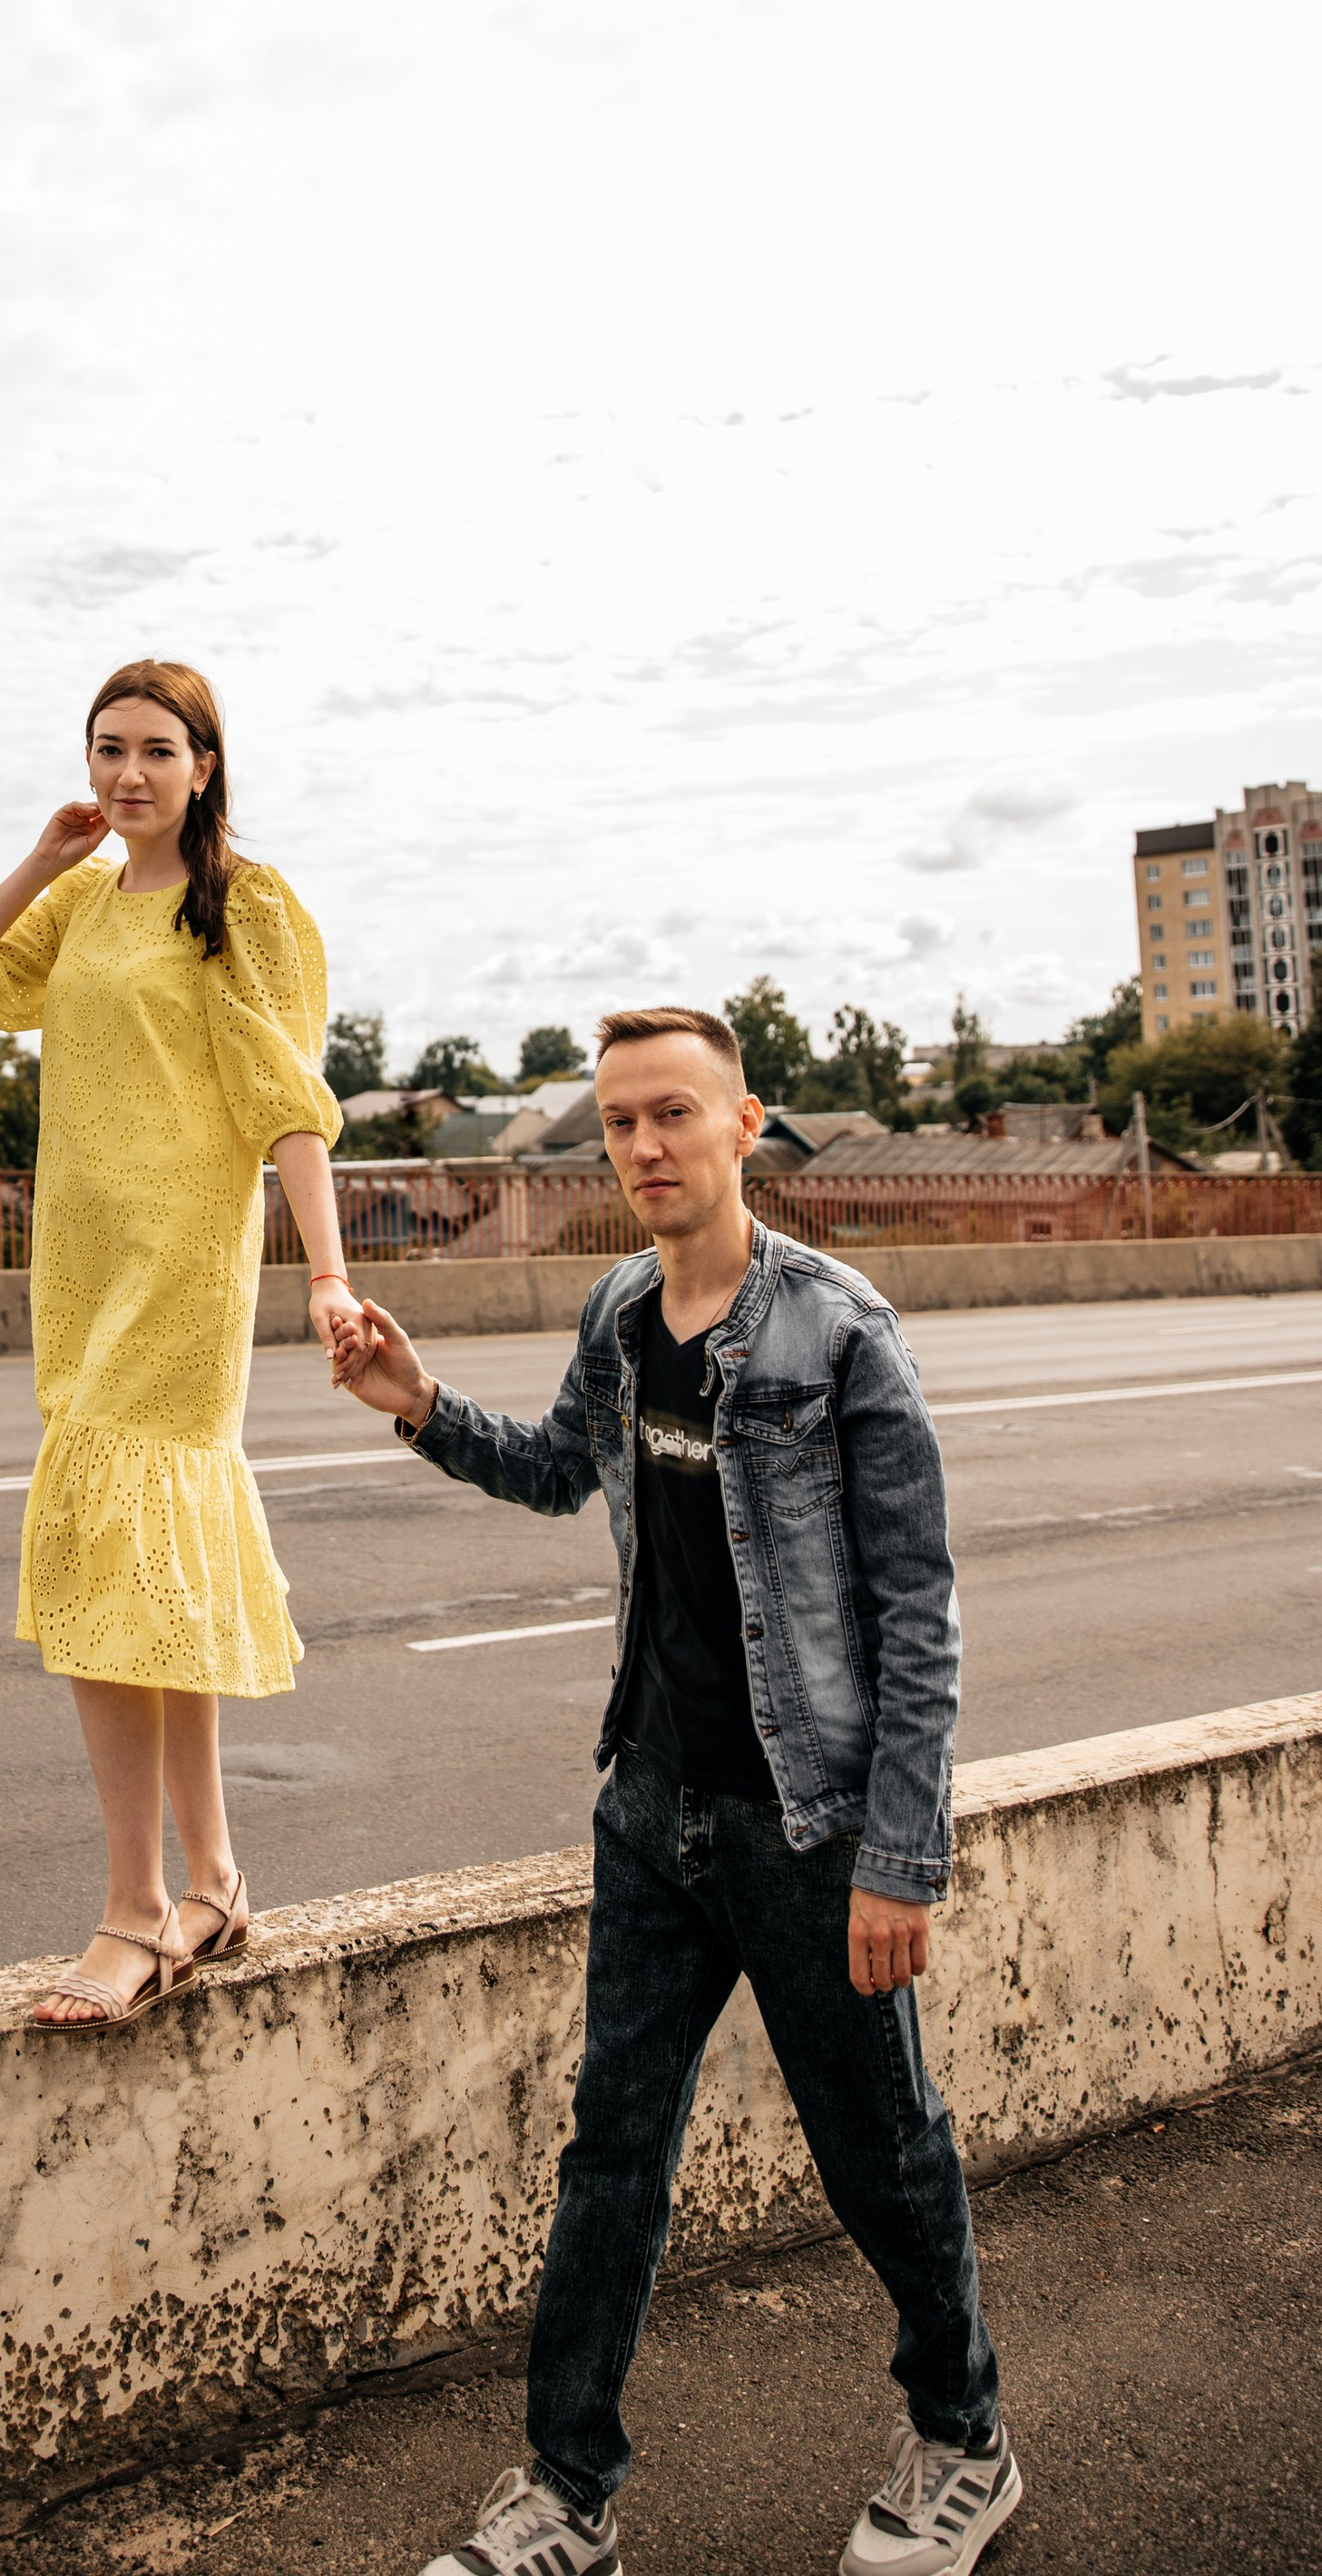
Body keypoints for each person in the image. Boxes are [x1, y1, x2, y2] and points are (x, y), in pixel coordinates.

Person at [339, 1006, 1021, 2576]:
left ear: (744, 1124)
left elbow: (918, 1609)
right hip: (651, 1809)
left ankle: (965, 2439)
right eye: (619, 1123)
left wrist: (901, 1856)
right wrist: (420, 1401)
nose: (642, 1146)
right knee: (612, 2152)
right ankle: (567, 2491)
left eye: (672, 1114)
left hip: (807, 1827)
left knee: (884, 2152)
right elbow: (557, 1468)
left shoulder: (839, 1329)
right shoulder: (620, 1310)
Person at [0, 658, 367, 2031]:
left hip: (180, 1267)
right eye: (107, 748)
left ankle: (136, 1909)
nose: (128, 773)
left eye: (157, 749)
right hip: (82, 1260)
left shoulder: (249, 907)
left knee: (114, 1565)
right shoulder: (78, 902)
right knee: (147, 1577)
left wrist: (327, 1273)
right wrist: (40, 860)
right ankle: (216, 1880)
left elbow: (289, 1101)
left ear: (204, 765)